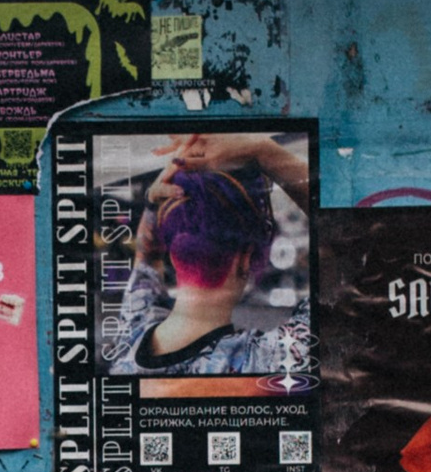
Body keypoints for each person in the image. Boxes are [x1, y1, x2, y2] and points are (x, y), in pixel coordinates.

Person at [103, 132, 313, 381]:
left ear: (175, 251)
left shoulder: (131, 337)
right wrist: (263, 150)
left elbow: (146, 257)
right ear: (245, 259)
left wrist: (153, 201)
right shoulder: (265, 361)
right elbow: (351, 234)